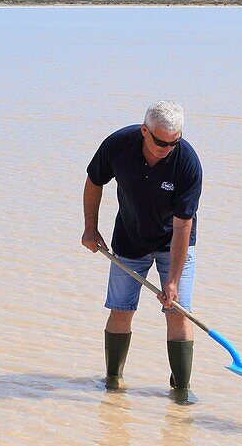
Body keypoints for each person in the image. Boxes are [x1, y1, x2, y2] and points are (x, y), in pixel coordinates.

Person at [81, 101, 203, 396]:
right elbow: (94, 181)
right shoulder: (118, 144)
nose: (167, 149)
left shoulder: (187, 162)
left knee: (178, 312)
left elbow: (183, 224)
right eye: (160, 142)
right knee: (121, 310)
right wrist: (90, 227)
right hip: (129, 240)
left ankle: (181, 391)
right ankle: (112, 381)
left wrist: (172, 279)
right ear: (144, 131)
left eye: (174, 142)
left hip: (173, 244)